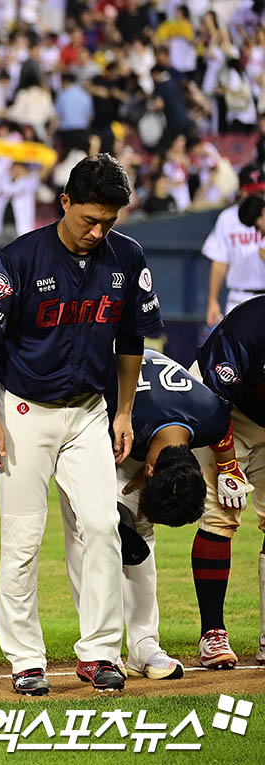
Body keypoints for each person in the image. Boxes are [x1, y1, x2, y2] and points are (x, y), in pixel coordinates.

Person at [0, 153, 164, 695]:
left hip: (89, 413)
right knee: (24, 538)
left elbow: (131, 341)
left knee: (102, 524)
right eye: (88, 219)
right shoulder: (20, 258)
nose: (97, 231)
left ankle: (100, 652)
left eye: (109, 220)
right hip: (25, 411)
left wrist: (123, 411)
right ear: (65, 202)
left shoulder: (127, 257)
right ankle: (26, 658)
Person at [64, 350, 231, 681]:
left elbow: (222, 435)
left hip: (144, 434)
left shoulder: (212, 417)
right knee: (93, 533)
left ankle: (143, 645)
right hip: (87, 416)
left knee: (140, 536)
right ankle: (100, 648)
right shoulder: (124, 419)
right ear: (151, 470)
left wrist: (230, 468)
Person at [188, 298, 265, 670]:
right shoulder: (249, 325)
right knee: (221, 514)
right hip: (217, 407)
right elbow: (216, 401)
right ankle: (212, 634)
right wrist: (228, 465)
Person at [203, 167, 265, 328]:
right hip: (239, 297)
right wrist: (212, 301)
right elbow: (220, 261)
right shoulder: (227, 218)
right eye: (253, 192)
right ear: (242, 191)